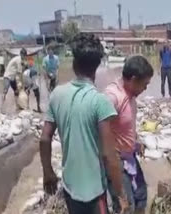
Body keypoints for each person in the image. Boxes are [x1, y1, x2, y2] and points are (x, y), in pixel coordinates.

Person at [40, 33, 128, 214]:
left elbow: (44, 138)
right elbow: (109, 155)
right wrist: (120, 194)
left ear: (73, 63)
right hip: (94, 192)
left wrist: (48, 172)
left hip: (70, 187)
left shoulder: (57, 94)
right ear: (97, 66)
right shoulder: (99, 101)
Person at [105, 56, 153, 214]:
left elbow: (125, 125)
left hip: (129, 156)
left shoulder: (131, 95)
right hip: (116, 162)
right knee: (126, 206)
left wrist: (135, 142)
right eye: (145, 84)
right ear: (133, 80)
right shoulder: (113, 97)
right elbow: (99, 130)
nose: (146, 89)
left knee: (141, 197)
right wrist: (113, 157)